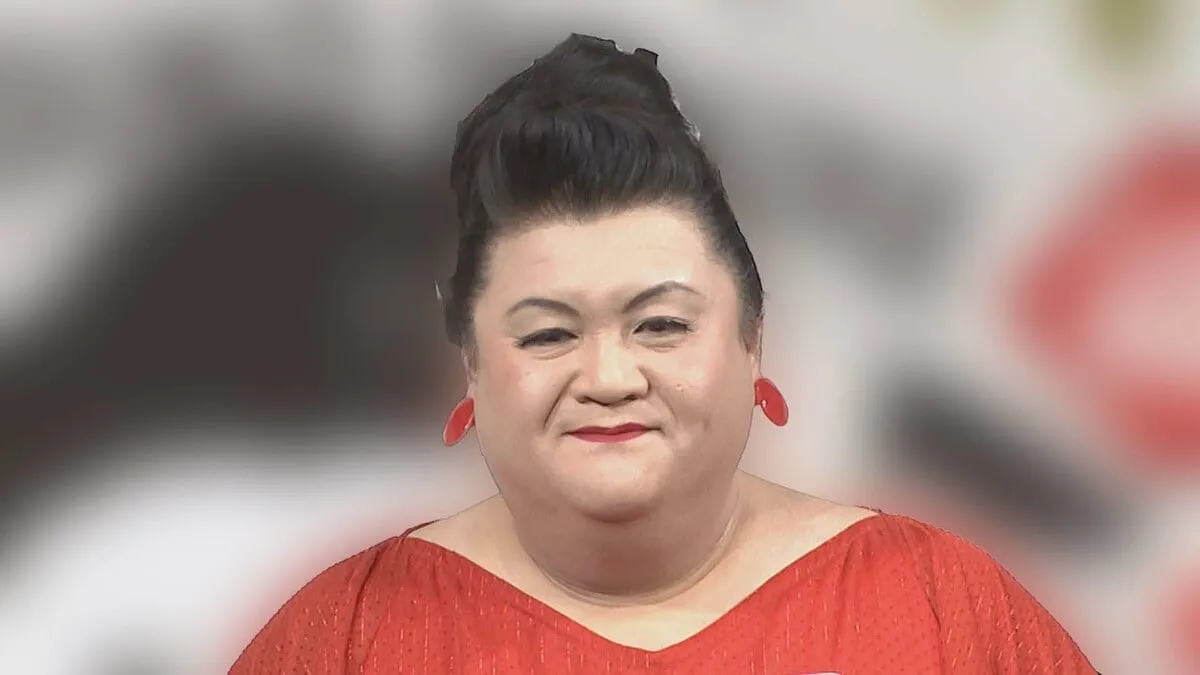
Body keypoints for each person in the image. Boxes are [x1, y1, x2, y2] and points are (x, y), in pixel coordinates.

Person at [229, 33, 1098, 674]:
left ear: (755, 338)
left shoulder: (942, 609)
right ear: (469, 363)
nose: (610, 378)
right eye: (548, 333)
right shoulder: (346, 637)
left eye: (661, 325)